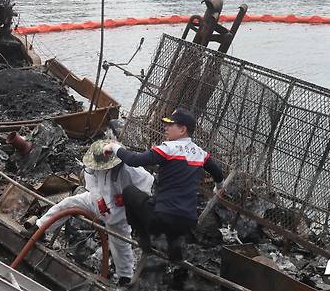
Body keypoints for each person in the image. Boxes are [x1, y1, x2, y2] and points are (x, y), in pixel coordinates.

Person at [27, 140, 154, 287]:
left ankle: (125, 277)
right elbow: (91, 182)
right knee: (69, 204)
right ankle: (40, 228)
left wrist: (126, 199)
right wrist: (98, 198)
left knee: (120, 240)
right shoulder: (94, 165)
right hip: (97, 201)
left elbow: (146, 185)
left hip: (120, 210)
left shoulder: (131, 169)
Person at [103, 108, 224, 262]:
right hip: (187, 223)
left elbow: (134, 160)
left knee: (129, 192)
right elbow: (218, 173)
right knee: (172, 211)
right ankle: (174, 250)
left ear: (182, 129)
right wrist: (218, 188)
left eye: (170, 125)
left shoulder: (168, 149)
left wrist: (114, 147)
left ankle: (143, 240)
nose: (166, 128)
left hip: (161, 219)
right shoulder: (201, 154)